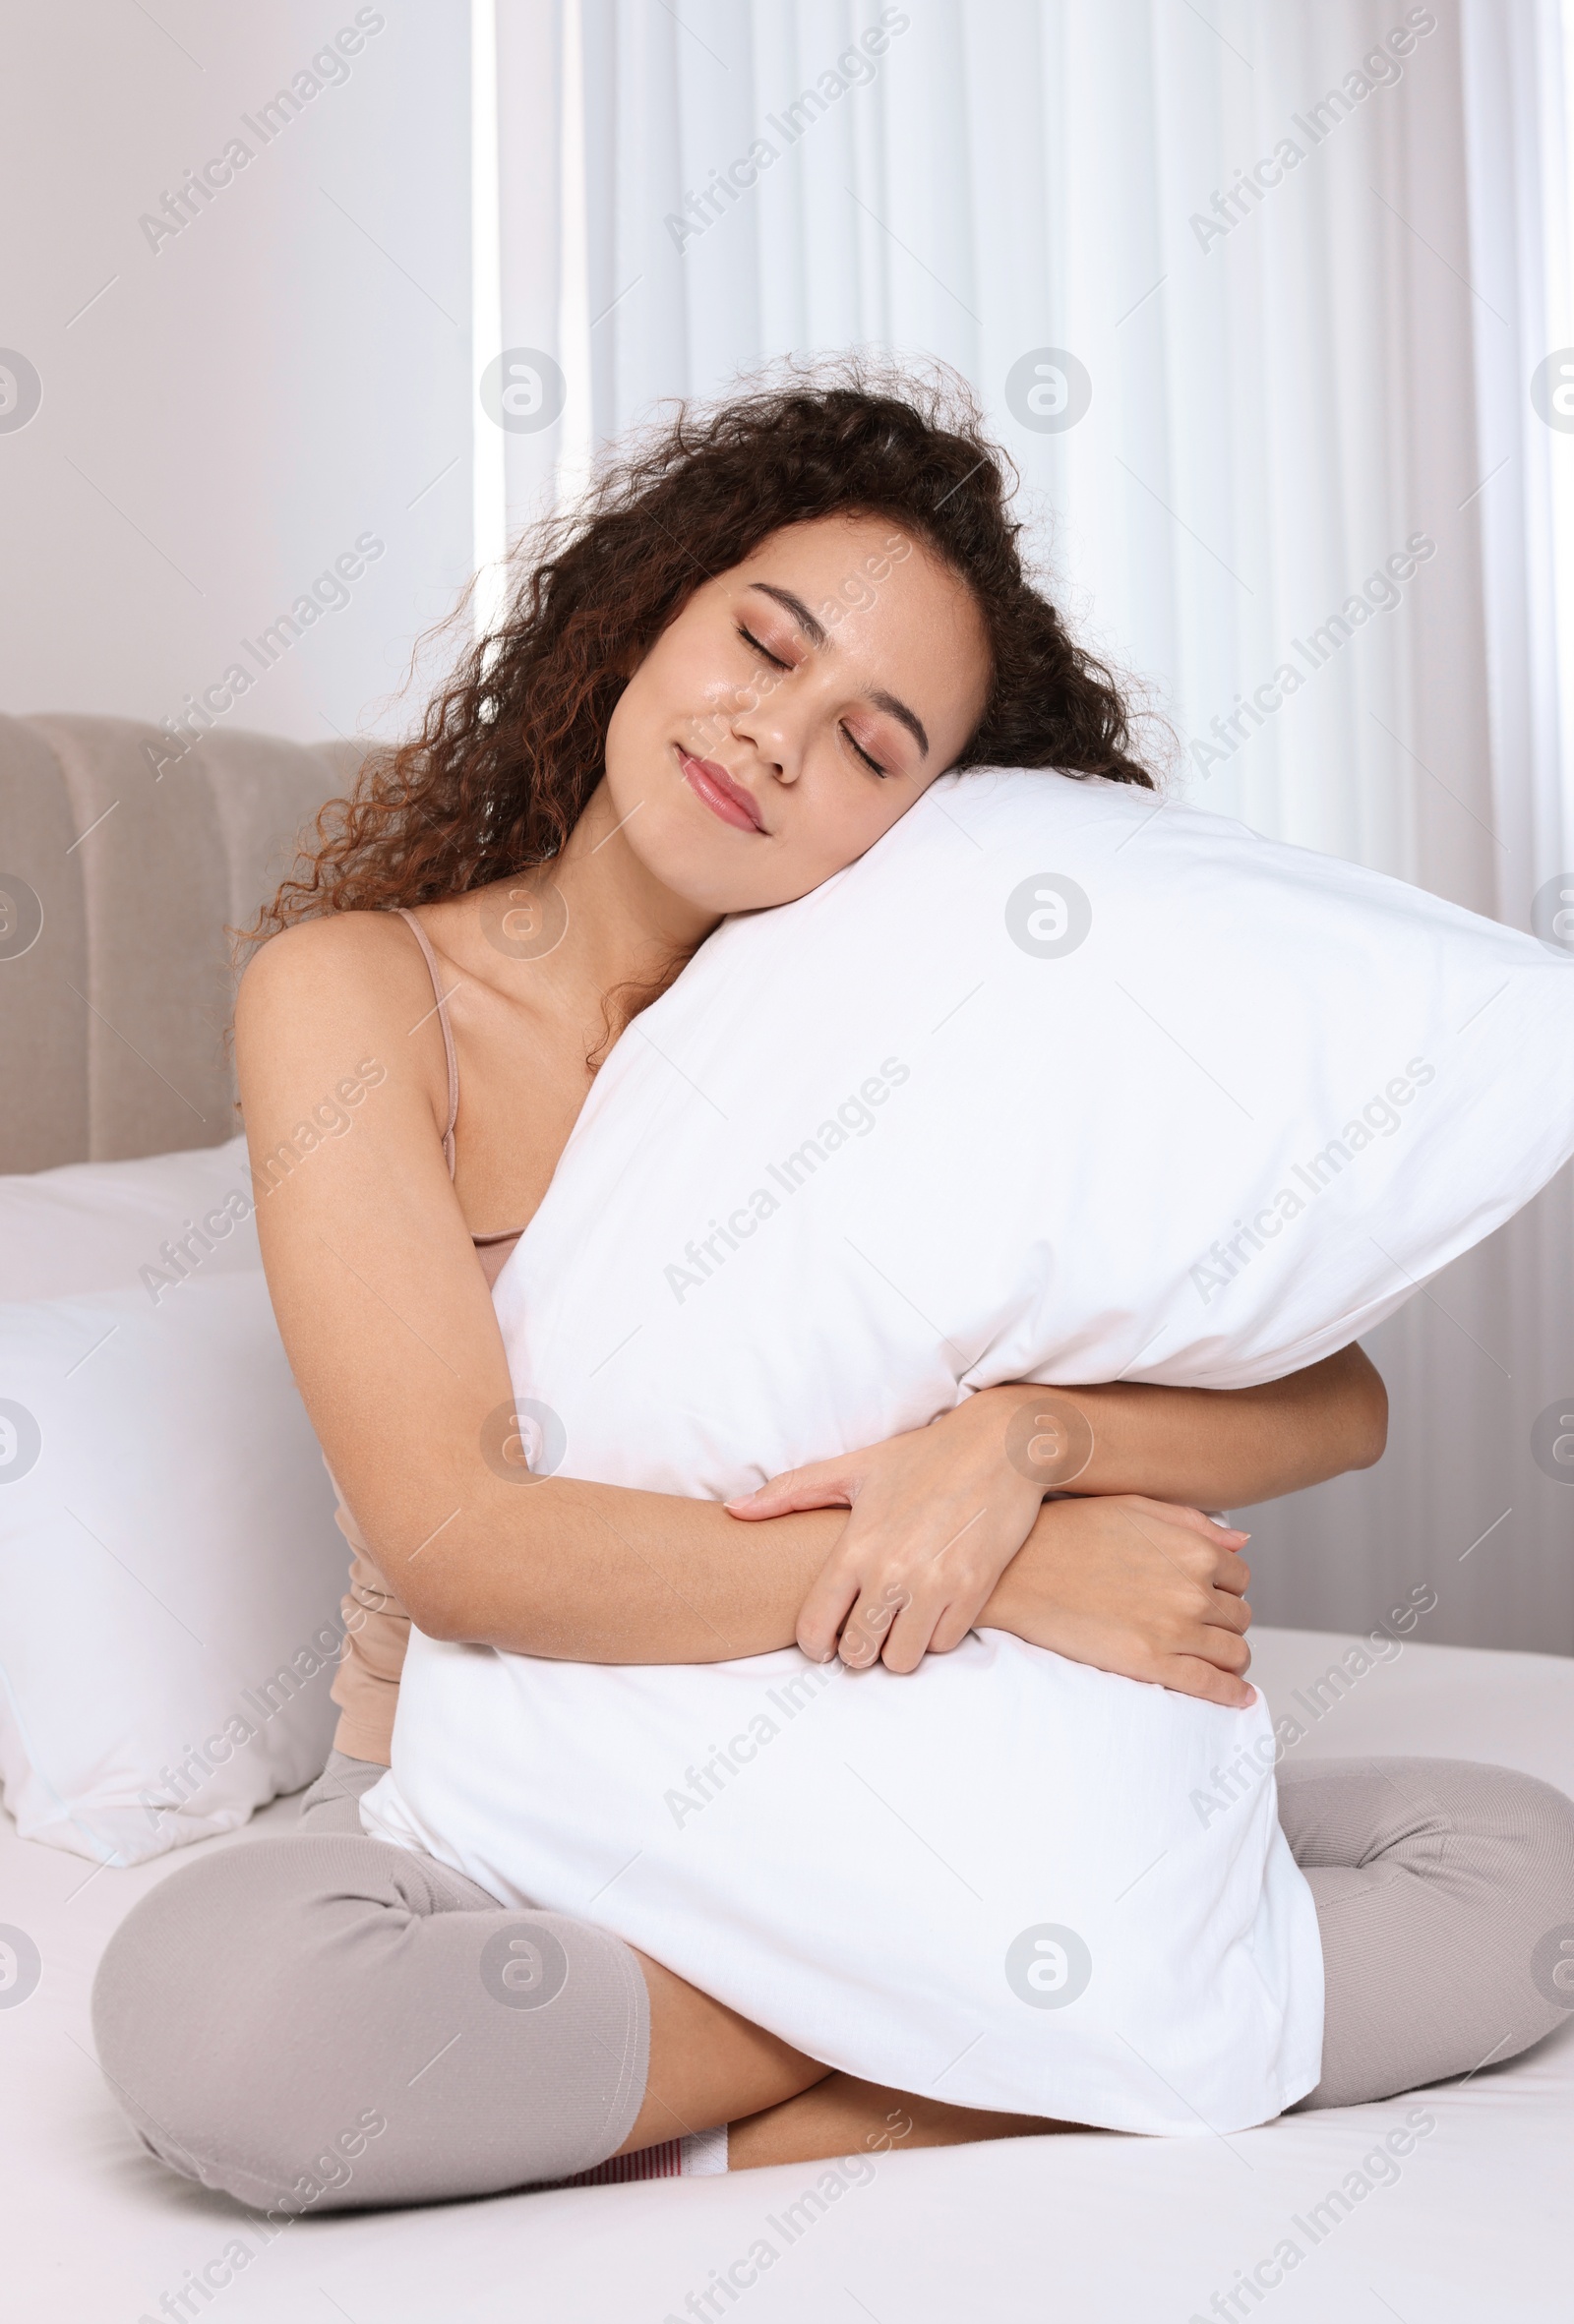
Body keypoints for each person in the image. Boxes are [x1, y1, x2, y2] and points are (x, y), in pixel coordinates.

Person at [93, 371, 1574, 2212]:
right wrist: (1009, 1572)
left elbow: (1335, 1403)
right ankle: (968, 2038)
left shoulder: (896, 1038)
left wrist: (1022, 1443)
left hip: (888, 1775)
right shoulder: (360, 997)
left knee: (1516, 1867)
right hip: (502, 1815)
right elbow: (461, 1538)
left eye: (876, 749)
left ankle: (731, 2090)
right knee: (230, 2023)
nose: (779, 738)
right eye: (763, 643)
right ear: (646, 610)